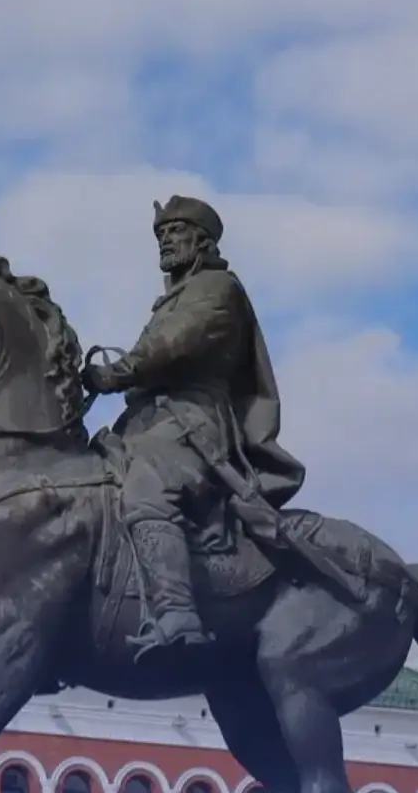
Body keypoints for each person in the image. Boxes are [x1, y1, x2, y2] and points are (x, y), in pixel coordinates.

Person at [83, 196, 305, 655]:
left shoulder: (217, 288)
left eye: (175, 231)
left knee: (146, 487)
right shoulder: (172, 298)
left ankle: (177, 612)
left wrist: (116, 373)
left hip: (194, 421)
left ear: (202, 240)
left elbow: (176, 342)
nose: (165, 239)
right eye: (161, 233)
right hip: (148, 420)